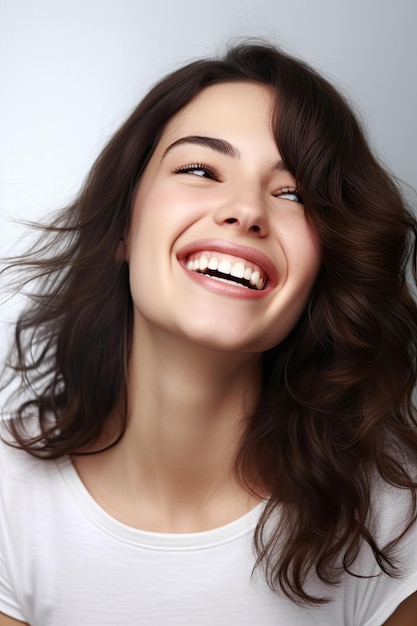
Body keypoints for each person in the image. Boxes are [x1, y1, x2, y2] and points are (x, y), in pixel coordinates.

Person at [1, 40, 417, 626]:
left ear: (326, 263)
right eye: (200, 169)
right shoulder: (8, 494)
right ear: (124, 223)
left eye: (293, 192)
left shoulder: (394, 518)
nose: (246, 210)